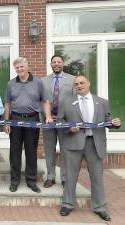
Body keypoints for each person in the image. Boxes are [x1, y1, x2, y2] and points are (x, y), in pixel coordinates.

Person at [58, 75, 121, 222]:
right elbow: (60, 121)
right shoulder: (66, 102)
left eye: (82, 83)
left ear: (89, 83)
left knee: (97, 177)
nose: (79, 85)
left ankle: (100, 207)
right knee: (70, 176)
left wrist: (115, 123)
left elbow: (107, 121)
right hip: (73, 143)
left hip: (95, 143)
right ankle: (67, 204)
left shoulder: (102, 102)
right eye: (77, 84)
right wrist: (69, 128)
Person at [3, 57, 53, 193]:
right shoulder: (11, 83)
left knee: (31, 151)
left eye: (21, 67)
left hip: (33, 119)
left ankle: (31, 181)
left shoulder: (38, 82)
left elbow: (45, 101)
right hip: (15, 119)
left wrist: (48, 116)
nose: (20, 70)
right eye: (17, 68)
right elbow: (7, 103)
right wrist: (6, 121)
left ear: (27, 66)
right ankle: (15, 181)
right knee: (15, 153)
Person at [41, 55, 75, 188]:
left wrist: (67, 118)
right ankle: (50, 177)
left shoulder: (72, 80)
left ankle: (65, 178)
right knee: (49, 150)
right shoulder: (43, 81)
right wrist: (47, 115)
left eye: (59, 62)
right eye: (54, 62)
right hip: (48, 120)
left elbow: (73, 101)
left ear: (63, 64)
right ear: (50, 64)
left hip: (64, 121)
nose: (56, 64)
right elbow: (41, 100)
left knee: (65, 150)